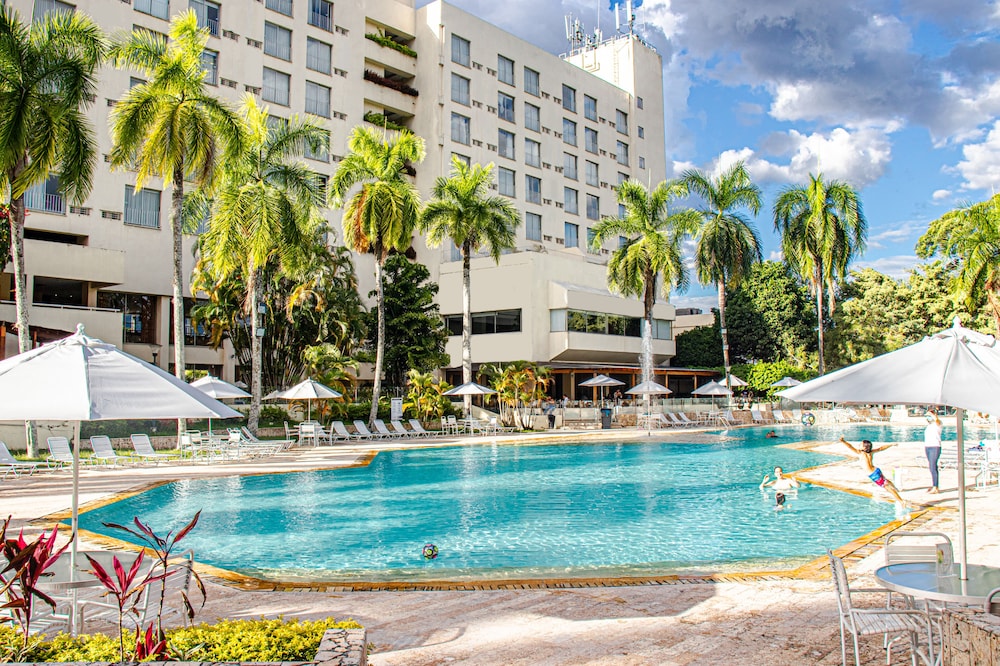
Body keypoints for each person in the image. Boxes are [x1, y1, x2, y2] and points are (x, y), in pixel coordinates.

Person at [838, 436, 909, 506]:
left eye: (860, 444)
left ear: (864, 447)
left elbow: (850, 447)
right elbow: (881, 448)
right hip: (876, 470)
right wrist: (891, 444)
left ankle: (901, 501)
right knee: (885, 480)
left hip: (873, 474)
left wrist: (843, 441)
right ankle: (896, 488)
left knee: (886, 487)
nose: (859, 445)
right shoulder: (871, 452)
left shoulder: (860, 453)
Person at [924, 411, 942, 494]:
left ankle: (935, 487)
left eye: (929, 416)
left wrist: (933, 415)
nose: (928, 417)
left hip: (935, 447)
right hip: (928, 446)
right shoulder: (929, 426)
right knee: (933, 467)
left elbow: (937, 421)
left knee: (932, 467)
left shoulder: (938, 424)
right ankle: (935, 485)